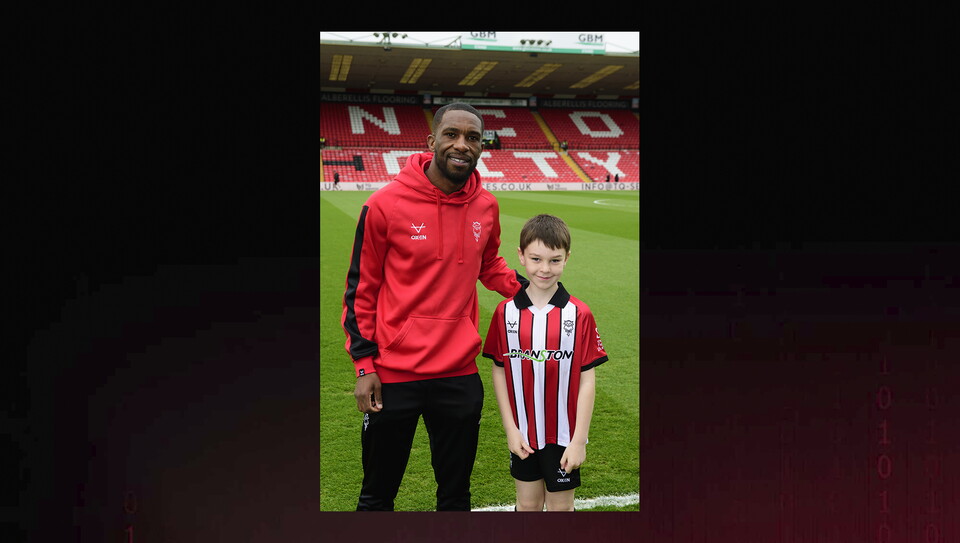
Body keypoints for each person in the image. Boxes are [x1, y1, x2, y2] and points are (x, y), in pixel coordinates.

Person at [342, 102, 528, 511]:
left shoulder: (486, 206)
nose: (462, 145)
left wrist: (530, 290)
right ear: (432, 141)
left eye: (473, 138)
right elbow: (361, 290)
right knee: (376, 497)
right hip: (393, 376)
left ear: (482, 145)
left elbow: (489, 264)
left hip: (458, 375)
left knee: (456, 497)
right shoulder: (384, 204)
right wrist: (364, 366)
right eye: (452, 134)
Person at [482, 214, 608, 512]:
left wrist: (579, 440)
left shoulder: (579, 314)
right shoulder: (505, 313)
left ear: (566, 259)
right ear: (521, 256)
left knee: (561, 508)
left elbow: (587, 380)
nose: (544, 268)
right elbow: (500, 372)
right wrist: (511, 429)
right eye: (536, 259)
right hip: (523, 433)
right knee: (527, 506)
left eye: (555, 260)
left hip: (564, 435)